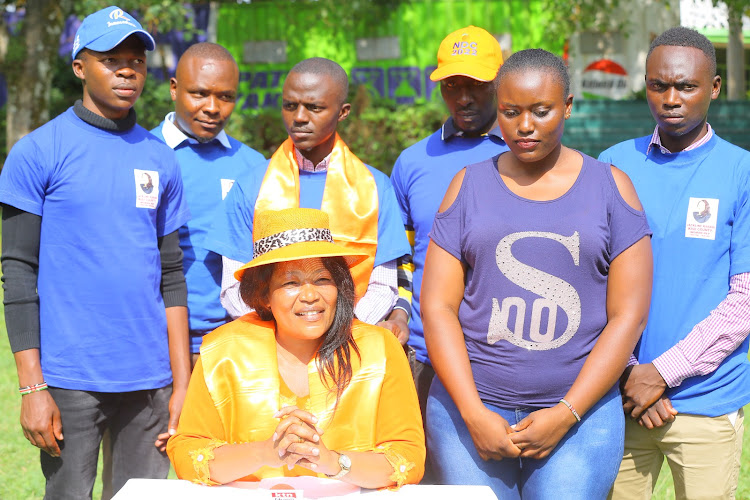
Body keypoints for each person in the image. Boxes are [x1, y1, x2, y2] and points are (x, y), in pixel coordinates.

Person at [421, 48, 652, 498]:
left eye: (541, 111)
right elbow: (438, 306)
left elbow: (628, 317)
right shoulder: (466, 185)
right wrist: (471, 413)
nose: (524, 126)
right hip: (471, 411)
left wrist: (567, 412)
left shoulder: (611, 187)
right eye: (510, 112)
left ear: (567, 105)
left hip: (580, 415)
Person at [0, 6, 191, 499]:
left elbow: (172, 273)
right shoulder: (38, 151)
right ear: (80, 66)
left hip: (150, 382)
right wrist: (32, 387)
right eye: (111, 59)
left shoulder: (158, 157)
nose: (127, 70)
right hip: (70, 379)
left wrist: (181, 383)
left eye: (136, 60)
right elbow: (19, 272)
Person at [168, 208, 425, 488]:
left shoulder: (381, 350)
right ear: (264, 295)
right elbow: (186, 454)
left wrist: (332, 462)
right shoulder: (222, 353)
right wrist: (263, 452)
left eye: (323, 280)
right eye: (291, 282)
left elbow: (408, 457)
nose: (310, 295)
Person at [600, 27, 750, 500]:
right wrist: (629, 371)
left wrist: (662, 373)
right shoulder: (611, 165)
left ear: (715, 87)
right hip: (619, 398)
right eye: (658, 85)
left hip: (707, 400)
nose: (671, 98)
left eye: (686, 86)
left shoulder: (741, 172)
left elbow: (744, 299)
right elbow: (592, 280)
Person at [204, 58, 410, 340]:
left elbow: (383, 284)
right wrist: (284, 335)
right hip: (271, 344)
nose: (299, 117)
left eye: (314, 107)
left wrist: (339, 332)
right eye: (290, 105)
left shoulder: (375, 187)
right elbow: (233, 285)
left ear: (342, 112)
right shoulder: (251, 185)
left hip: (349, 340)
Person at [390, 25, 509, 415]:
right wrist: (400, 312)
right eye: (451, 85)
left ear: (500, 81)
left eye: (476, 84)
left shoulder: (529, 156)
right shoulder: (412, 163)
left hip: (506, 359)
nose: (463, 97)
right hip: (424, 356)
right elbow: (401, 256)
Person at [151, 42, 266, 364]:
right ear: (174, 90)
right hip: (157, 343)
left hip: (237, 342)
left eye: (225, 96)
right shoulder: (142, 156)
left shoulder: (253, 166)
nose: (213, 107)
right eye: (199, 94)